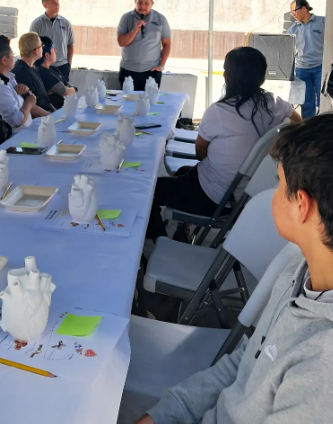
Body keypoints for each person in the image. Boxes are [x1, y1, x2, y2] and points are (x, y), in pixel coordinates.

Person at [136, 114, 333, 424]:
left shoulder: (321, 369)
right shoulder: (300, 268)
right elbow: (245, 361)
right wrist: (165, 413)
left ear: (301, 206)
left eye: (278, 182)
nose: (273, 192)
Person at [147, 47, 301, 240]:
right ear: (262, 77)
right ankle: (184, 229)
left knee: (148, 190)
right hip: (245, 194)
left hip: (215, 198)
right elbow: (298, 123)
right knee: (183, 172)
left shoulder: (219, 112)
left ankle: (158, 240)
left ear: (227, 76)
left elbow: (200, 153)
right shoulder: (275, 102)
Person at [0, 35, 48, 130]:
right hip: (18, 135)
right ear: (4, 60)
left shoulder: (4, 76)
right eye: (12, 54)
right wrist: (29, 103)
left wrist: (24, 90)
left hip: (28, 126)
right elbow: (17, 121)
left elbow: (18, 96)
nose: (15, 57)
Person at [117, 0, 171, 90]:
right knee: (128, 100)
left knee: (150, 99)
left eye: (146, 3)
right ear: (135, 2)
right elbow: (121, 42)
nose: (142, 6)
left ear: (152, 4)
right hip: (128, 70)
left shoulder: (160, 19)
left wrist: (161, 65)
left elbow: (167, 44)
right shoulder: (126, 18)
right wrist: (135, 30)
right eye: (140, 2)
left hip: (151, 71)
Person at [288, 0, 325, 118]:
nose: (293, 14)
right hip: (301, 70)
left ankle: (325, 125)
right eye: (291, 12)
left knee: (323, 99)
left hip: (321, 67)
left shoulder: (323, 22)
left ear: (304, 8)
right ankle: (309, 126)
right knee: (306, 101)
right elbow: (287, 49)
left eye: (294, 11)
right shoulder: (293, 29)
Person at [30, 0, 74, 80]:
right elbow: (31, 45)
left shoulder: (66, 23)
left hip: (62, 65)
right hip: (43, 66)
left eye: (57, 2)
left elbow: (70, 44)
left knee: (62, 87)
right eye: (53, 2)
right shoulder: (37, 24)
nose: (57, 5)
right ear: (45, 5)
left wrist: (69, 64)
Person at [12, 33, 54, 112]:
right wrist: (51, 116)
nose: (42, 48)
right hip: (41, 117)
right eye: (41, 46)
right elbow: (30, 106)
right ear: (36, 51)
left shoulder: (30, 67)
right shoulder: (21, 72)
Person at [35, 36, 77, 110]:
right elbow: (65, 92)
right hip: (54, 112)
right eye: (53, 49)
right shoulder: (43, 73)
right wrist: (75, 89)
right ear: (47, 55)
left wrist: (69, 89)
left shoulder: (53, 69)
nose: (56, 51)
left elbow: (66, 85)